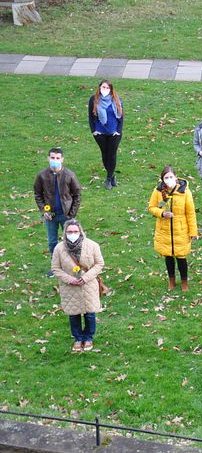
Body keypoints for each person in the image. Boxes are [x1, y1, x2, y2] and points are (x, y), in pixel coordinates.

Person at [51, 219, 104, 353]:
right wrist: (70, 279)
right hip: (69, 287)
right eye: (70, 232)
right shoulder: (59, 248)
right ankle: (78, 338)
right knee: (73, 314)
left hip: (89, 285)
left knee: (90, 314)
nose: (72, 234)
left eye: (75, 231)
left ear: (80, 232)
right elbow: (55, 268)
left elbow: (99, 264)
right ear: (65, 233)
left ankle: (89, 338)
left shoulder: (92, 245)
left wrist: (85, 278)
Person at [147, 166, 198, 292]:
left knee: (181, 258)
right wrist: (162, 213)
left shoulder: (185, 192)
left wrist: (193, 232)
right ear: (162, 179)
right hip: (164, 230)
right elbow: (152, 207)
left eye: (171, 177)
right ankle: (171, 280)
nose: (169, 179)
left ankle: (184, 281)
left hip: (181, 230)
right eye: (166, 177)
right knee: (168, 256)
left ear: (176, 177)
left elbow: (191, 213)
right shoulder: (158, 191)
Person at [34, 147, 82, 278]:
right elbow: (38, 194)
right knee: (52, 242)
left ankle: (74, 267)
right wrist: (44, 210)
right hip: (51, 216)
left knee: (72, 241)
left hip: (66, 215)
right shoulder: (42, 176)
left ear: (62, 159)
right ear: (48, 158)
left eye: (57, 158)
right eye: (52, 158)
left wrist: (71, 214)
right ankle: (56, 267)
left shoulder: (69, 175)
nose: (55, 160)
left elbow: (77, 195)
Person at [88, 80, 124, 190]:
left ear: (111, 89)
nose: (105, 90)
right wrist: (94, 130)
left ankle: (108, 179)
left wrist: (118, 130)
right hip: (100, 133)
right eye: (103, 87)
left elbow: (121, 117)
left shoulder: (117, 99)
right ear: (99, 88)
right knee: (105, 153)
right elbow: (91, 116)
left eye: (107, 88)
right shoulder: (94, 100)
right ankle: (112, 176)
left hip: (114, 133)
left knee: (112, 154)